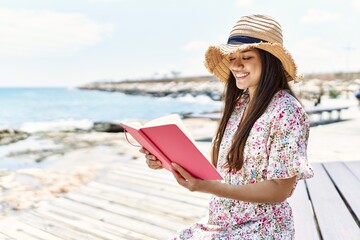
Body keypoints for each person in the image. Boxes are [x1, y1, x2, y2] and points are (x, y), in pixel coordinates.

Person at [140, 14, 314, 239]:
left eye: (247, 56)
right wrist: (166, 159)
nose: (236, 65)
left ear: (269, 61)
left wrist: (208, 187)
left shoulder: (286, 111)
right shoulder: (240, 105)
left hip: (261, 227)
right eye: (231, 57)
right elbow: (225, 168)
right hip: (222, 220)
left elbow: (279, 190)